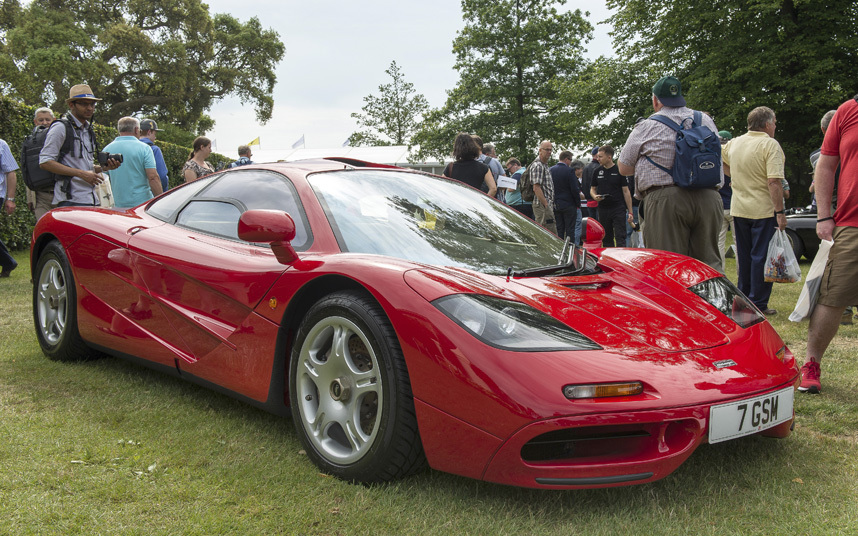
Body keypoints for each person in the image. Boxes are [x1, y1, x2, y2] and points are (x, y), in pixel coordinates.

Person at [618, 75, 723, 271]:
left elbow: (624, 167)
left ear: (655, 100)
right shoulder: (705, 120)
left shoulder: (646, 126)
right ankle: (714, 301)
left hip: (665, 201)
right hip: (709, 197)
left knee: (668, 267)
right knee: (709, 267)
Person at [798, 95, 858, 394]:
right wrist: (824, 216)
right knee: (833, 295)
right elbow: (825, 166)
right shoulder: (848, 110)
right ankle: (811, 363)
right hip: (852, 222)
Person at [722, 106, 786, 316]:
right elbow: (774, 181)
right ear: (767, 124)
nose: (775, 126)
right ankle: (758, 301)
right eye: (774, 122)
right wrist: (780, 211)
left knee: (745, 255)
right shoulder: (769, 144)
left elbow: (720, 158)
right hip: (763, 209)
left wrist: (735, 177)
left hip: (739, 207)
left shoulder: (735, 142)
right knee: (761, 256)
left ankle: (744, 299)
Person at [39, 84, 121, 207]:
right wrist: (82, 174)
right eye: (84, 104)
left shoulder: (88, 130)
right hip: (70, 199)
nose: (89, 108)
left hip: (91, 199)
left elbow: (83, 166)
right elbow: (45, 162)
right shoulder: (60, 127)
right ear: (71, 105)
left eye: (92, 104)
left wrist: (104, 168)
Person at [103, 117, 162, 208]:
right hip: (141, 203)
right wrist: (160, 200)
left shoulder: (107, 149)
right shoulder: (144, 148)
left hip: (117, 204)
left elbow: (104, 178)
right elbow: (153, 177)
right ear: (136, 129)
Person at [591, 145, 634, 247]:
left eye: (600, 156)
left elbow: (626, 191)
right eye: (597, 156)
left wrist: (630, 211)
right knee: (606, 238)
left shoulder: (619, 170)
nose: (598, 159)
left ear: (609, 157)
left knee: (620, 236)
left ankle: (621, 259)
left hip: (618, 208)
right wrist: (594, 196)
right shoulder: (597, 171)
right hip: (603, 208)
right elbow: (592, 188)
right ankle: (608, 260)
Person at [25, 107, 56, 220]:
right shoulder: (30, 142)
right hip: (40, 197)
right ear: (35, 122)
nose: (45, 123)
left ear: (54, 120)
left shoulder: (61, 138)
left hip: (60, 193)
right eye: (41, 120)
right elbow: (28, 170)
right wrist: (30, 198)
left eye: (48, 120)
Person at [550, 150, 581, 242]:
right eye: (570, 160)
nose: (571, 162)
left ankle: (559, 247)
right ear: (567, 159)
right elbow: (574, 189)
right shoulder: (569, 171)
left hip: (556, 203)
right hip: (569, 204)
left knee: (559, 229)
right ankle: (570, 249)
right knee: (570, 229)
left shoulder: (551, 170)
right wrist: (577, 203)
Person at [716, 130, 736, 267]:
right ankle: (741, 276)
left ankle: (720, 274)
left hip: (718, 206)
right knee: (739, 244)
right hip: (735, 206)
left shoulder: (714, 161)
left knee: (718, 243)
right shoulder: (735, 160)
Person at [1, 137, 19, 277]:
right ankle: (8, 262)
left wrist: (10, 199)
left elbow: (11, 172)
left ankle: (8, 262)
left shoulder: (1, 145)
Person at [530, 140, 556, 235]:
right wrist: (546, 204)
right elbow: (536, 188)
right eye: (547, 150)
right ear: (540, 150)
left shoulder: (544, 165)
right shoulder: (538, 165)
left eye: (550, 150)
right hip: (542, 205)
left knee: (549, 231)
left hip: (545, 204)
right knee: (545, 233)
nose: (549, 152)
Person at [138, 119, 169, 192]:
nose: (155, 137)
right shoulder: (154, 149)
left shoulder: (132, 147)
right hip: (149, 195)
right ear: (149, 132)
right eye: (155, 134)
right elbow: (161, 176)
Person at [581, 147, 600, 219]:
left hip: (588, 200)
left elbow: (584, 184)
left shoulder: (586, 168)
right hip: (597, 198)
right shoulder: (599, 167)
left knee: (592, 223)